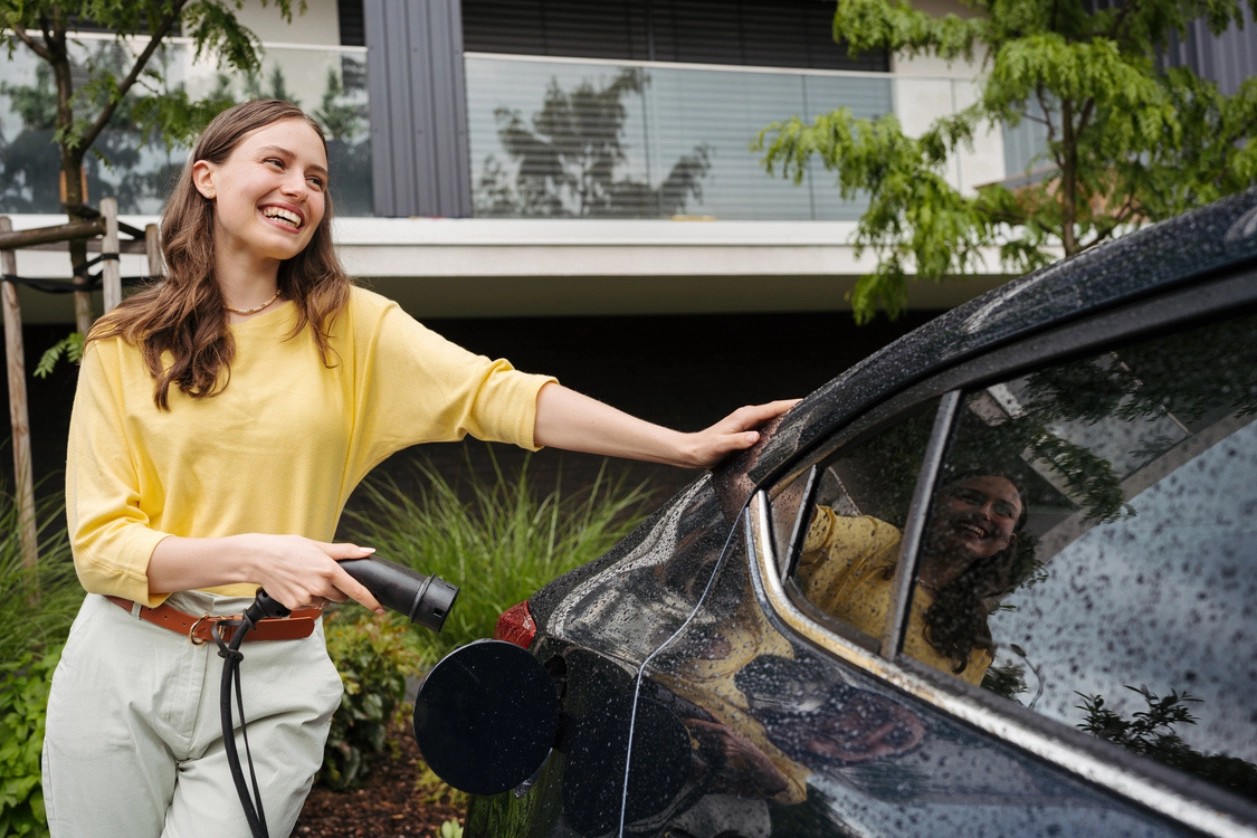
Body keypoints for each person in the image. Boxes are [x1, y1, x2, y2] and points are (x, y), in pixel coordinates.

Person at [41, 99, 796, 838]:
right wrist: (256, 554)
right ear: (206, 177)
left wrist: (683, 444)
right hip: (123, 663)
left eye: (317, 178)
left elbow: (501, 397)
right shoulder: (125, 341)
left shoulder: (350, 329)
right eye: (275, 163)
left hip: (269, 678)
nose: (298, 189)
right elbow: (101, 548)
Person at [797, 472, 1028, 684]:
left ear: (1008, 541)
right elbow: (804, 524)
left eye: (1003, 511)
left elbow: (937, 719)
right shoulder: (879, 542)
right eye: (970, 497)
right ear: (938, 503)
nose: (984, 512)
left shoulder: (976, 644)